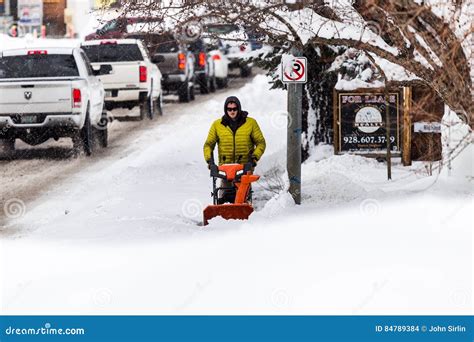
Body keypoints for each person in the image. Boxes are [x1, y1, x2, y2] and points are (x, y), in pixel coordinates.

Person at [203, 96, 266, 203]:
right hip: (225, 168)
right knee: (224, 195)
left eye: (234, 109)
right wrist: (210, 162)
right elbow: (208, 145)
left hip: (244, 167)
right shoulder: (217, 125)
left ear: (239, 108)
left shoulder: (250, 123)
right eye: (229, 109)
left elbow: (261, 143)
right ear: (225, 110)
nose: (232, 111)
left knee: (242, 196)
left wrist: (254, 159)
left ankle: (245, 214)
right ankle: (223, 215)